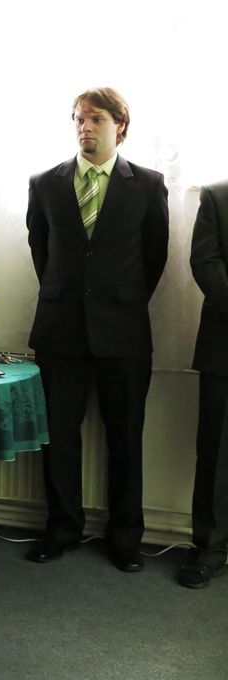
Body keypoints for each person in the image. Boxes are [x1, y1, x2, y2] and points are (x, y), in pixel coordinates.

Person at [24, 87, 169, 573]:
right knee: (58, 436)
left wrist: (119, 301)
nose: (85, 127)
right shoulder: (45, 183)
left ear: (119, 126)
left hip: (123, 331)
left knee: (125, 436)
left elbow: (154, 257)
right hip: (60, 327)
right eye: (79, 119)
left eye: (96, 119)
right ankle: (62, 528)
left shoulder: (147, 184)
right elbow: (41, 252)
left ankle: (125, 538)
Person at [180, 180, 228, 588]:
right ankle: (209, 548)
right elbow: (206, 264)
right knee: (216, 454)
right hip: (224, 348)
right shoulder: (216, 195)